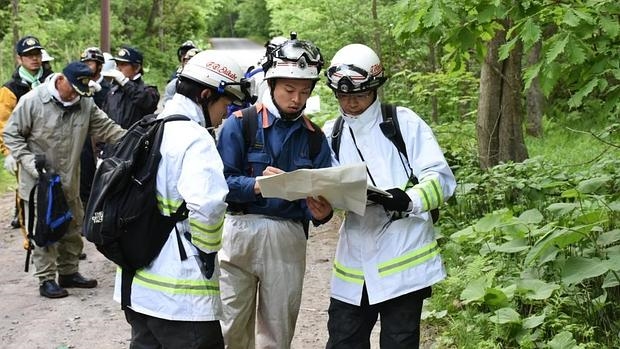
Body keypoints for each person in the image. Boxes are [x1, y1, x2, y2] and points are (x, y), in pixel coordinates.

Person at [321, 44, 457, 349]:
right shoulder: (332, 131)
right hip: (354, 262)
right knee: (343, 340)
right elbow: (327, 185)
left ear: (374, 89)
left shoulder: (402, 122)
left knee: (399, 343)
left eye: (357, 96)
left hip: (403, 260)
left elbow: (441, 179)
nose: (351, 103)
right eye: (343, 97)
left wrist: (408, 199)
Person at [113, 50, 250, 348]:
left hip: (136, 287)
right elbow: (209, 206)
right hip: (181, 294)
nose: (225, 114)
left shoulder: (151, 124)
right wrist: (207, 253)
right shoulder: (195, 138)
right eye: (225, 105)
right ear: (205, 95)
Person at [216, 36, 334, 348]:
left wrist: (322, 212)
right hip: (238, 233)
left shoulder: (315, 138)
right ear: (271, 83)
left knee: (277, 333)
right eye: (290, 89)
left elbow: (322, 197)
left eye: (305, 91)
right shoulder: (239, 124)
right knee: (229, 328)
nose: (297, 98)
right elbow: (218, 186)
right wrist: (255, 184)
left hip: (287, 237)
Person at [3, 61, 126, 299]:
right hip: (40, 183)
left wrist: (137, 138)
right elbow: (11, 134)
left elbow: (107, 128)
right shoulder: (33, 101)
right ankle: (46, 279)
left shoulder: (85, 103)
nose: (76, 97)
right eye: (74, 90)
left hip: (70, 179)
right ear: (61, 80)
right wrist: (29, 163)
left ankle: (69, 272)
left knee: (72, 225)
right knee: (44, 229)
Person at [0, 36, 53, 232]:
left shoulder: (51, 81)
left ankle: (57, 236)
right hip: (24, 149)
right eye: (29, 55)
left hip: (52, 145)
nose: (34, 59)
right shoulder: (10, 89)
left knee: (56, 190)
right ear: (19, 58)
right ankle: (30, 236)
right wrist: (9, 152)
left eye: (37, 54)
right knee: (28, 193)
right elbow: (3, 124)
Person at [78, 47, 112, 209]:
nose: (87, 66)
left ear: (99, 65)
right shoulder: (79, 86)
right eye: (84, 62)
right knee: (83, 176)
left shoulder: (108, 88)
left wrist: (98, 93)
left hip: (101, 138)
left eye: (90, 63)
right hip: (83, 138)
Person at [101, 45, 159, 130]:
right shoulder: (113, 91)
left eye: (123, 64)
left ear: (136, 68)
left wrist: (125, 82)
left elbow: (146, 102)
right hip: (111, 141)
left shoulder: (149, 91)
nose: (118, 68)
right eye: (117, 64)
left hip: (135, 141)